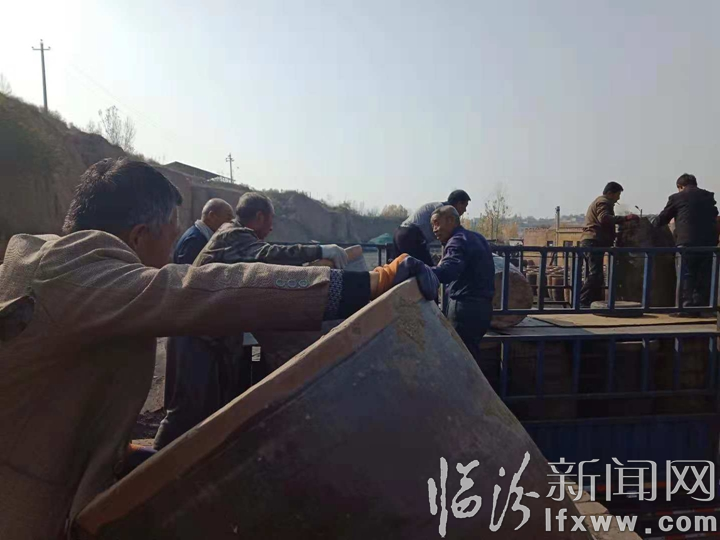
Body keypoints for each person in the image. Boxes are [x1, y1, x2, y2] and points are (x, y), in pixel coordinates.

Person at [0, 158, 438, 539]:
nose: (173, 254)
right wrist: (373, 282)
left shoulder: (45, 265)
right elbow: (207, 289)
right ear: (137, 237)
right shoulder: (74, 275)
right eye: (169, 239)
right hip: (27, 515)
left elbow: (57, 398)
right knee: (185, 410)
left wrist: (122, 455)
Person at [154, 192, 349, 450]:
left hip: (213, 340)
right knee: (185, 414)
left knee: (212, 414)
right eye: (270, 221)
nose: (271, 228)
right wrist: (321, 250)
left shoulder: (237, 240)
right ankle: (147, 468)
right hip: (195, 339)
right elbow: (269, 255)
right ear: (259, 217)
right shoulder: (232, 235)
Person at [153, 199, 235, 451]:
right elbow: (191, 284)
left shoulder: (201, 238)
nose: (229, 224)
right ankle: (159, 458)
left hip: (194, 329)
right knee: (185, 402)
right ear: (211, 215)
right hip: (189, 330)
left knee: (197, 398)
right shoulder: (195, 241)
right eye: (226, 218)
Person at [430, 205, 495, 360]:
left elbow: (448, 271)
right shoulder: (477, 238)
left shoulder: (457, 241)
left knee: (459, 357)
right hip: (483, 308)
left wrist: (420, 270)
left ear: (451, 220)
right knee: (471, 354)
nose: (434, 230)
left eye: (437, 223)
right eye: (432, 226)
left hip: (464, 309)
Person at [654, 174, 719, 315]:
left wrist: (652, 225)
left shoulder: (677, 197)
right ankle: (702, 308)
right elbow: (714, 215)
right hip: (708, 244)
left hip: (686, 243)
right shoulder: (708, 196)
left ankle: (684, 308)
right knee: (703, 276)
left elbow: (663, 218)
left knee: (686, 275)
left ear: (680, 186)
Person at [579, 182, 638, 307]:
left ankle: (592, 302)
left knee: (597, 275)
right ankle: (582, 301)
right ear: (610, 193)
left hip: (593, 241)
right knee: (595, 274)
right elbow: (604, 218)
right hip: (593, 241)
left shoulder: (602, 201)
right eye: (618, 194)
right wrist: (625, 218)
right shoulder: (603, 202)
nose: (618, 198)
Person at [393, 189, 471, 266]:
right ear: (459, 203)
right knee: (426, 270)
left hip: (400, 233)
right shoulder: (444, 212)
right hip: (412, 235)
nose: (465, 210)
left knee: (399, 268)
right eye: (464, 206)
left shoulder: (437, 206)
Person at [173, 198, 235, 264]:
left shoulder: (201, 236)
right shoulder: (195, 240)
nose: (231, 222)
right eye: (228, 217)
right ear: (212, 216)